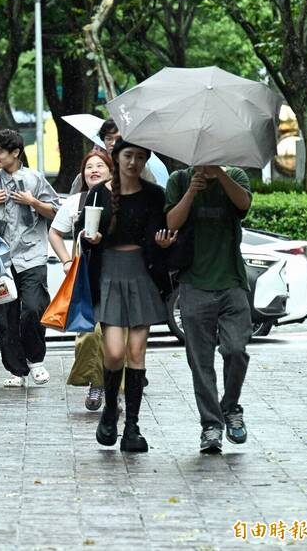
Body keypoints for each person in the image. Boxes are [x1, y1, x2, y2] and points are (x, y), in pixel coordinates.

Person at [80, 140, 174, 452]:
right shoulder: (98, 192)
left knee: (136, 353)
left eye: (139, 157)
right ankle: (110, 410)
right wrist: (89, 238)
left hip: (141, 275)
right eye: (128, 156)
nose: (133, 162)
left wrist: (163, 244)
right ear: (116, 158)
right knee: (114, 353)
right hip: (108, 274)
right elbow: (84, 233)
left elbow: (161, 236)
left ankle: (132, 427)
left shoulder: (154, 194)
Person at [165, 165, 252, 454]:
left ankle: (230, 406)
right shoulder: (179, 180)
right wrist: (192, 190)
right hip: (193, 284)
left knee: (236, 350)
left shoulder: (235, 176)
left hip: (232, 282)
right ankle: (211, 425)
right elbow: (172, 222)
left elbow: (244, 205)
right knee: (200, 362)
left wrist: (220, 174)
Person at [0, 129, 58, 388]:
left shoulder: (35, 179)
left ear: (15, 152)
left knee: (34, 308)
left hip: (32, 254)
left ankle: (35, 361)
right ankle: (16, 369)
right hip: (0, 259)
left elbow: (55, 211)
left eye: (1, 151)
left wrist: (33, 202)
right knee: (4, 316)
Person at [49, 150, 113, 410]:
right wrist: (66, 261)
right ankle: (96, 383)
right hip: (87, 277)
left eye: (100, 166)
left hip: (117, 275)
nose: (94, 170)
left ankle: (110, 386)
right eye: (89, 167)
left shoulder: (119, 199)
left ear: (111, 171)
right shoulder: (76, 201)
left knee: (115, 335)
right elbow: (55, 232)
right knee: (90, 335)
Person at [70, 119, 156, 194]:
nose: (113, 143)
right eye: (109, 138)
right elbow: (72, 204)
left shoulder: (141, 170)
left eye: (118, 139)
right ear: (103, 140)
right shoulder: (90, 173)